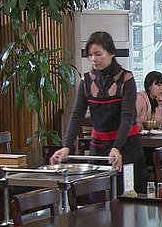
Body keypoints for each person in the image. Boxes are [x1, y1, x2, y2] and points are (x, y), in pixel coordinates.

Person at [50, 31, 147, 194]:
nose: (93, 59)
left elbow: (127, 116)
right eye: (90, 55)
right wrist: (66, 146)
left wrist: (117, 147)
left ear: (111, 53)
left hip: (127, 146)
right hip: (99, 146)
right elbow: (77, 114)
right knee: (97, 196)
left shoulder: (126, 79)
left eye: (98, 54)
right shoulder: (86, 80)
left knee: (128, 194)